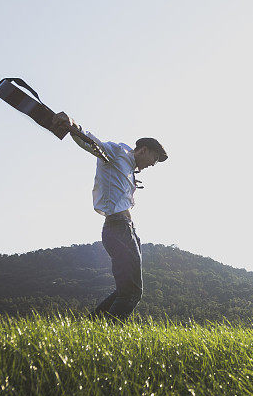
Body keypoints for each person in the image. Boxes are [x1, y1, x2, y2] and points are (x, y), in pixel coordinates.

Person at [51, 111, 167, 321]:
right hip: (118, 228)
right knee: (132, 293)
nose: (153, 164)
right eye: (154, 158)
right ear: (143, 150)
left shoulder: (130, 169)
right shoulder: (117, 152)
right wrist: (72, 125)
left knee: (128, 291)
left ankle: (88, 329)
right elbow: (91, 143)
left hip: (126, 230)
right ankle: (101, 334)